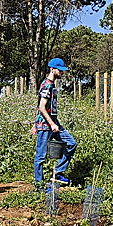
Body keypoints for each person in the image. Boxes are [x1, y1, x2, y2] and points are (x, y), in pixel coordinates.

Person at [33, 59, 77, 188]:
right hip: (46, 125)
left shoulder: (51, 85)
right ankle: (39, 185)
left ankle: (57, 173)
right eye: (60, 70)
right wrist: (50, 124)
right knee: (41, 156)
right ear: (52, 69)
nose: (62, 73)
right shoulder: (47, 85)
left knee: (71, 143)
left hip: (52, 123)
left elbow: (39, 106)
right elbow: (41, 107)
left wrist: (35, 123)